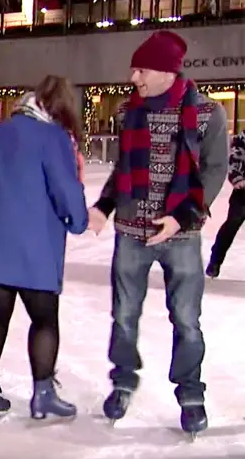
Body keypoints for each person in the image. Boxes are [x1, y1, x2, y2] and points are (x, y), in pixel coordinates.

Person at [88, 31, 228, 437]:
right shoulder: (130, 111)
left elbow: (214, 172)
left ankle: (190, 393)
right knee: (124, 315)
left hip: (180, 235)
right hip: (131, 231)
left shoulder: (208, 115)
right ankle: (123, 380)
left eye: (141, 69)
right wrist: (104, 206)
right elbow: (124, 169)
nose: (134, 77)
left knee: (186, 319)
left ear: (167, 72)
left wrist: (182, 218)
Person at [0, 76, 88, 419]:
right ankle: (43, 394)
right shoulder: (53, 137)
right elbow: (65, 189)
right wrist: (79, 219)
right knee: (44, 320)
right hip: (32, 247)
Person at [205, 130, 245, 277]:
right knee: (232, 224)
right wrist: (237, 178)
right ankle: (216, 259)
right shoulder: (243, 137)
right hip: (243, 193)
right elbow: (235, 156)